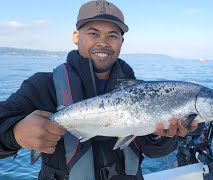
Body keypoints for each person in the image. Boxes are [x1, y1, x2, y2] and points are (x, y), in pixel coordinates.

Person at [0, 1, 198, 179]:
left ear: (122, 41)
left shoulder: (143, 92)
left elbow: (154, 152)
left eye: (113, 35)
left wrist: (162, 135)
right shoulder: (42, 85)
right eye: (93, 33)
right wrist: (14, 133)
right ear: (76, 36)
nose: (103, 42)